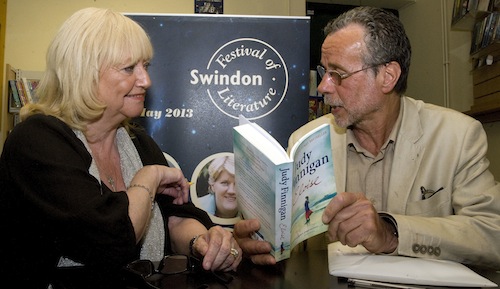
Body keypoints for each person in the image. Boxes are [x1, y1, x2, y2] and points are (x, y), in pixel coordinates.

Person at [235, 6, 500, 269]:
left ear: (388, 77)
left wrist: (391, 234)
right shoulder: (304, 143)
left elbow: (492, 236)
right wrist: (255, 243)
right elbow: (281, 244)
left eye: (338, 74)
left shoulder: (457, 136)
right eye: (324, 71)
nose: (323, 87)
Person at [0, 8, 243, 288]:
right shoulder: (36, 141)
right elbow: (110, 237)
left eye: (146, 66)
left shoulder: (137, 142)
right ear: (83, 73)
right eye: (130, 68)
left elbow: (175, 215)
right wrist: (147, 180)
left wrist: (202, 242)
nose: (146, 81)